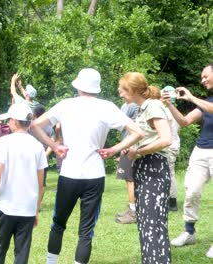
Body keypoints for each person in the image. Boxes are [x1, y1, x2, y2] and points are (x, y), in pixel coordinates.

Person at [32, 68, 143, 264]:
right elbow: (137, 132)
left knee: (58, 224)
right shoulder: (107, 107)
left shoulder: (65, 105)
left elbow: (34, 126)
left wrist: (54, 146)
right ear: (96, 88)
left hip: (69, 174)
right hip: (94, 176)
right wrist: (114, 149)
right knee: (86, 231)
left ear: (78, 86)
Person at [114, 72, 172, 264]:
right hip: (145, 167)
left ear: (132, 90)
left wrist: (138, 152)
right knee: (146, 223)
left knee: (153, 223)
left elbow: (166, 139)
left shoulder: (153, 105)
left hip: (154, 168)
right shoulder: (142, 108)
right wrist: (131, 149)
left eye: (122, 90)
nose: (120, 94)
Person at [161, 64, 213, 259]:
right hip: (201, 150)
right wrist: (170, 105)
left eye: (205, 76)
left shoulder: (206, 102)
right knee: (191, 190)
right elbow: (184, 121)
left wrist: (190, 97)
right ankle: (189, 232)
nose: (203, 80)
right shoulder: (206, 101)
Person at [0, 103, 48, 264]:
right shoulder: (37, 146)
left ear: (15, 121)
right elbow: (41, 184)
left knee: (0, 248)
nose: (8, 123)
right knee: (22, 253)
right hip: (27, 209)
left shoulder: (4, 142)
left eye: (9, 120)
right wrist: (36, 210)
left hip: (7, 206)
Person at [114, 102, 139, 224]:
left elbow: (133, 126)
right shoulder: (125, 105)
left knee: (130, 179)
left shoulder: (133, 105)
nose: (120, 90)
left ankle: (133, 212)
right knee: (128, 179)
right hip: (126, 144)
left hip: (130, 146)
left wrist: (129, 145)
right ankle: (132, 208)